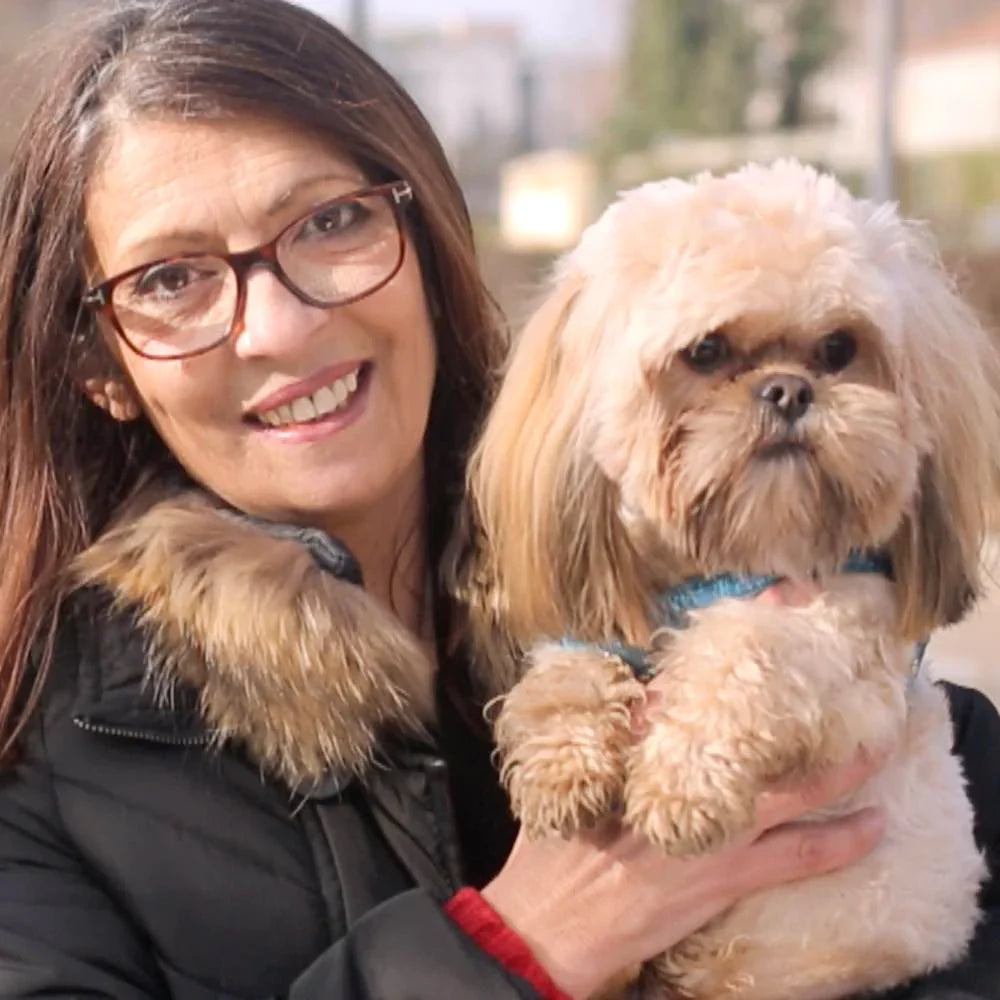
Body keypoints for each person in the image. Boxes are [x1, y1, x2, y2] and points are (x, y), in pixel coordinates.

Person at [0, 1, 996, 997]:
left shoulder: (696, 555)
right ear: (102, 365)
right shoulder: (39, 769)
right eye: (172, 278)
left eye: (330, 221)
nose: (276, 324)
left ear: (425, 236)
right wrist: (514, 948)